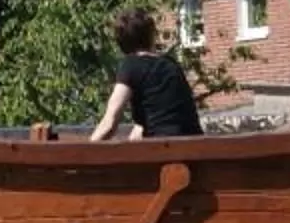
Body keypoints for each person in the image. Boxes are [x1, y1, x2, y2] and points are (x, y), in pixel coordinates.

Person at [87, 8, 204, 140]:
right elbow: (156, 120)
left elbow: (109, 124)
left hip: (162, 147)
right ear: (151, 36)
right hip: (193, 146)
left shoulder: (131, 65)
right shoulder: (171, 65)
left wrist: (84, 154)